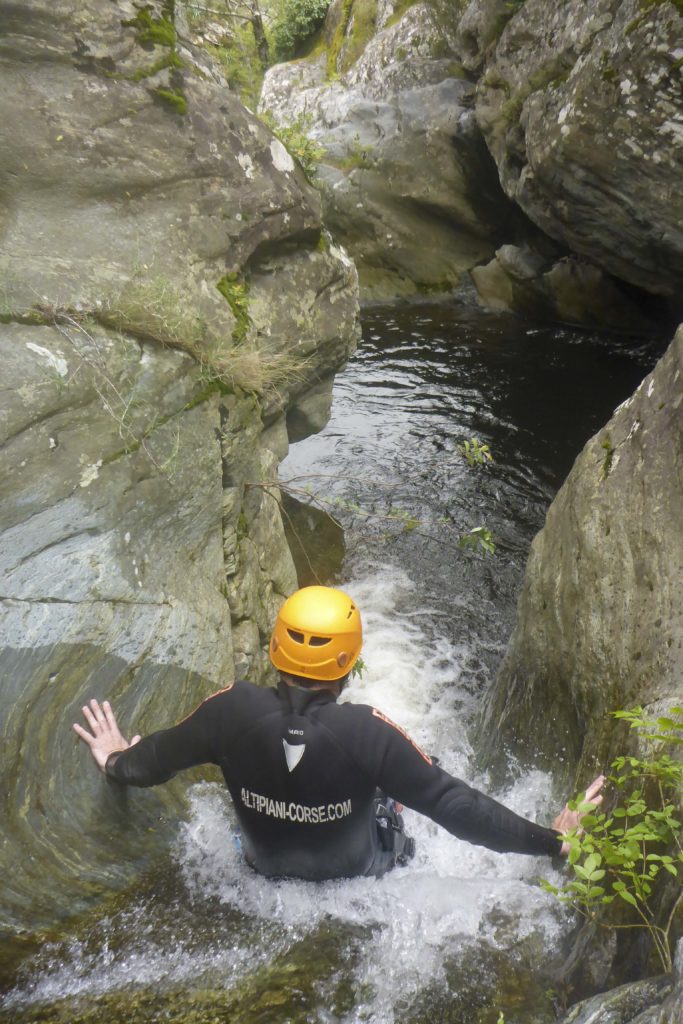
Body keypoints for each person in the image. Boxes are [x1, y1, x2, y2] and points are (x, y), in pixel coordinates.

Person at [73, 585, 604, 880]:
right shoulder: (368, 733)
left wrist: (115, 758)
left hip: (259, 872)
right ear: (349, 664)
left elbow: (151, 762)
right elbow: (457, 808)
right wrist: (555, 843)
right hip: (364, 877)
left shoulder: (228, 712)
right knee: (419, 776)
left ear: (273, 650)